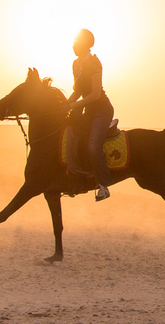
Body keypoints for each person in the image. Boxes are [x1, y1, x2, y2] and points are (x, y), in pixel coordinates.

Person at [66, 29, 114, 202]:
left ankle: (103, 185)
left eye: (77, 42)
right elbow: (78, 91)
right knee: (71, 137)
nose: (73, 45)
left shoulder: (94, 63)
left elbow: (95, 95)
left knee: (93, 146)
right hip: (88, 111)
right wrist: (64, 105)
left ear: (86, 44)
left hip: (101, 110)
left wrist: (73, 105)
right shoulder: (76, 64)